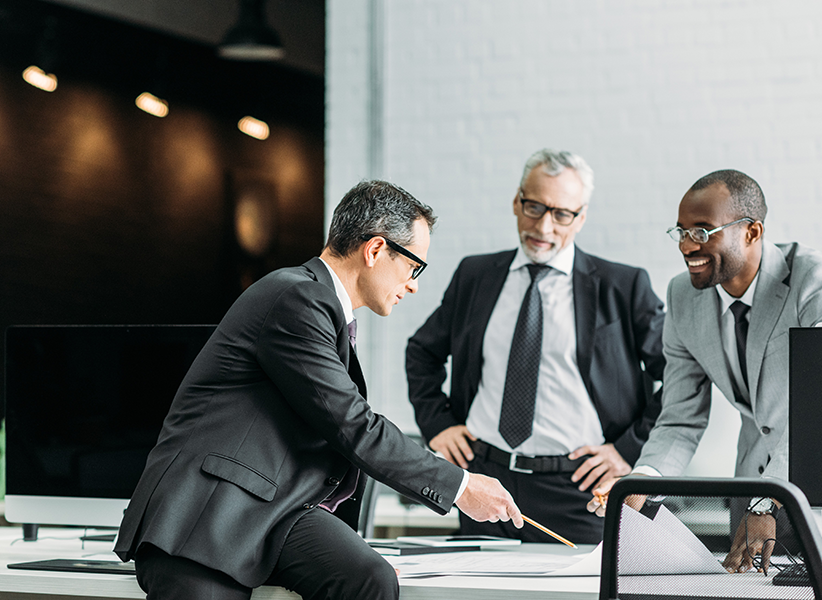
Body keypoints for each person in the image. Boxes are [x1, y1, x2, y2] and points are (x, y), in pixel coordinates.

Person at [114, 180, 523, 600]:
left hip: (276, 510)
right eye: (414, 266)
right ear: (376, 250)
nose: (414, 284)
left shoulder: (321, 309)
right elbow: (351, 424)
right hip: (210, 514)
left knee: (368, 577)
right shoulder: (297, 297)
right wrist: (461, 486)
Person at [405, 149, 665, 545]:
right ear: (516, 201)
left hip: (580, 491)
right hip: (485, 483)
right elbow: (422, 351)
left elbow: (681, 378)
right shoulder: (475, 275)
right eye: (534, 206)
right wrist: (437, 424)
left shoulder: (622, 286)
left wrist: (629, 449)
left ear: (581, 218)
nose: (543, 225)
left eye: (562, 213)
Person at [590, 169, 822, 573]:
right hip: (751, 482)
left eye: (701, 231)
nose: (685, 246)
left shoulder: (811, 282)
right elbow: (680, 416)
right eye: (679, 232)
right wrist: (641, 482)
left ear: (751, 232)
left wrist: (767, 500)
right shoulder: (683, 296)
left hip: (809, 483)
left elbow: (818, 410)